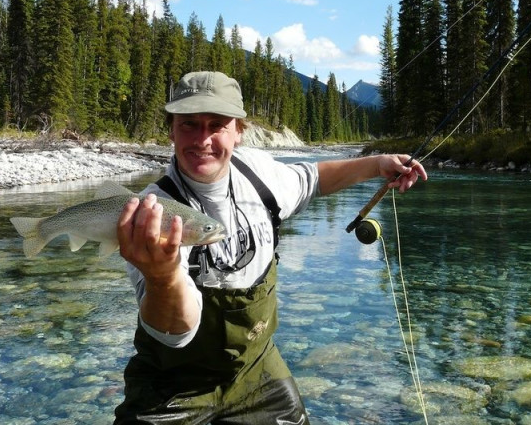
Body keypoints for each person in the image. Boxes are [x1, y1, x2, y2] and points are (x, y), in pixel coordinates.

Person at [113, 71, 427, 424]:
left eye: (217, 124)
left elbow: (315, 178)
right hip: (171, 384)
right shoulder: (149, 213)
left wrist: (377, 164)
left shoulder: (260, 176)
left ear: (239, 131)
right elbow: (174, 334)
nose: (203, 139)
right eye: (189, 125)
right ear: (171, 129)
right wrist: (162, 277)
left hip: (256, 367)